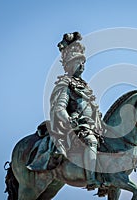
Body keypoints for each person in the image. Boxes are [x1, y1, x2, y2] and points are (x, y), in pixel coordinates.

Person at [49, 32, 104, 189]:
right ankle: (92, 179)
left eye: (83, 62)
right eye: (78, 62)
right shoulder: (65, 84)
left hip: (93, 126)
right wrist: (70, 121)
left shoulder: (85, 87)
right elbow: (59, 108)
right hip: (75, 127)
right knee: (91, 141)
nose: (82, 65)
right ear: (69, 65)